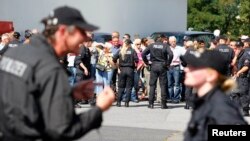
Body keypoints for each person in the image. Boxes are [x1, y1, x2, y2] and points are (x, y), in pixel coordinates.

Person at [0, 6, 115, 141]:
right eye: (82, 32)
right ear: (62, 31)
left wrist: (66, 93)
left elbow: (25, 98)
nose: (86, 38)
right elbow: (63, 130)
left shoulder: (14, 53)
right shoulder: (50, 68)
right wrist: (99, 109)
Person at [183, 49, 247, 141]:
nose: (186, 69)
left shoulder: (221, 108)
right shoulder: (204, 102)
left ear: (211, 76)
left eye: (194, 67)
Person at [142, 35, 173, 109]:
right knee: (163, 85)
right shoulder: (165, 46)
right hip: (163, 66)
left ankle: (151, 103)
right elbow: (171, 54)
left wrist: (147, 62)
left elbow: (143, 54)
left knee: (152, 85)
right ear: (161, 40)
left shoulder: (151, 46)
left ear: (155, 40)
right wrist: (168, 63)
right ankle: (163, 104)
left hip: (154, 65)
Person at [113, 39, 139, 107]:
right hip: (130, 70)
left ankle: (118, 102)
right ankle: (126, 103)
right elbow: (137, 60)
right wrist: (135, 64)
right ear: (130, 44)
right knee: (129, 87)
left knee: (121, 86)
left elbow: (114, 58)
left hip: (122, 70)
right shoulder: (132, 51)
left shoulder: (120, 50)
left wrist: (116, 64)